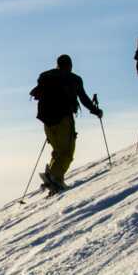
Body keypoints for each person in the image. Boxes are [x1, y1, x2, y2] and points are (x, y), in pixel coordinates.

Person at [29, 54, 102, 194]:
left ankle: (54, 178)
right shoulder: (74, 79)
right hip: (63, 119)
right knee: (67, 152)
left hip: (47, 120)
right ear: (70, 65)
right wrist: (96, 111)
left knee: (58, 151)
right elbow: (83, 98)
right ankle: (54, 177)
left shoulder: (46, 76)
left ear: (57, 64)